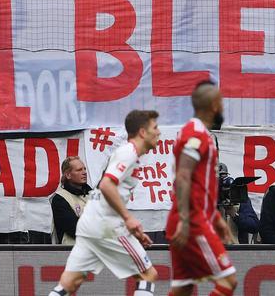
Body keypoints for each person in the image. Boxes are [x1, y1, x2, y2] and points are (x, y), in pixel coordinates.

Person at [49, 110, 161, 296]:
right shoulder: (128, 153)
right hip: (105, 226)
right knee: (148, 275)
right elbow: (107, 185)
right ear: (142, 132)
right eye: (155, 128)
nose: (158, 132)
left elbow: (106, 191)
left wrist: (129, 223)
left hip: (90, 224)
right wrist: (128, 219)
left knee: (67, 284)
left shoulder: (128, 155)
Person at [167, 82, 236, 296]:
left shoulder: (197, 133)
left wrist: (215, 217)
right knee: (228, 282)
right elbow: (183, 175)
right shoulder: (196, 134)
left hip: (191, 219)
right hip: (192, 223)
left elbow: (197, 184)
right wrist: (186, 220)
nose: (223, 107)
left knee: (184, 287)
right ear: (215, 105)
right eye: (222, 102)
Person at [50, 157, 91, 245]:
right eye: (79, 170)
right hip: (70, 253)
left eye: (84, 169)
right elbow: (75, 229)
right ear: (68, 175)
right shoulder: (59, 199)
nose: (84, 172)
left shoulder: (94, 195)